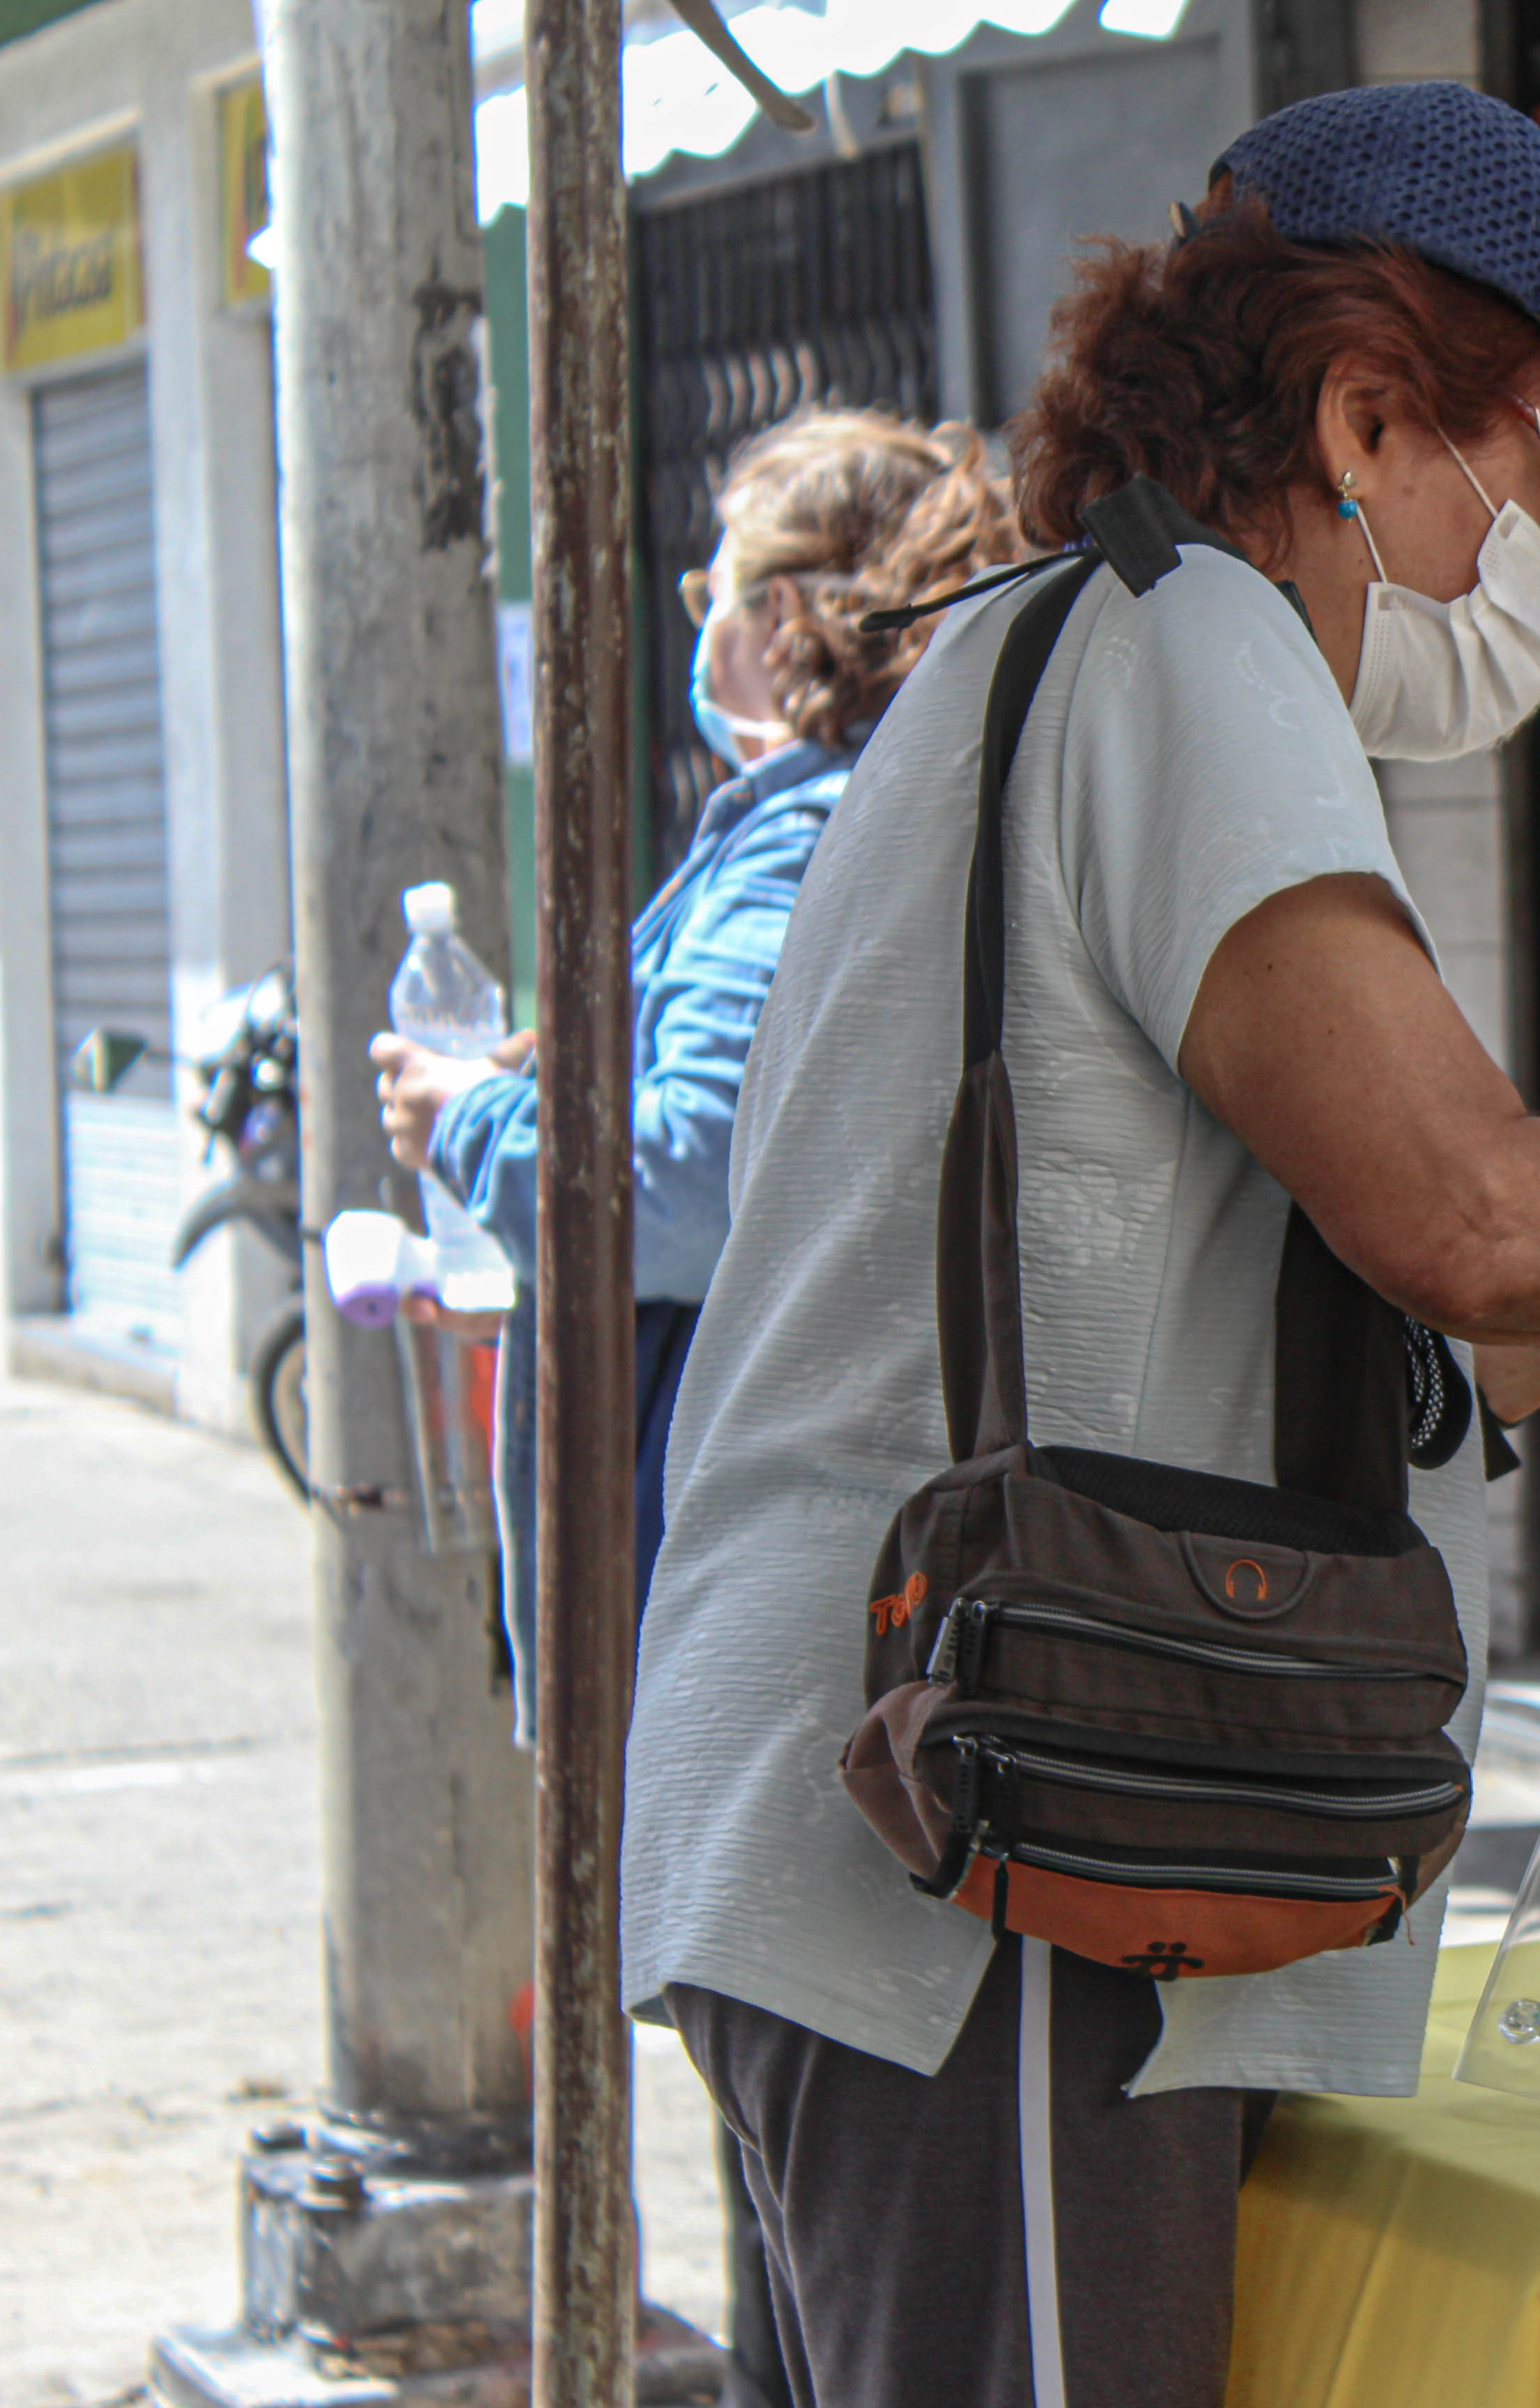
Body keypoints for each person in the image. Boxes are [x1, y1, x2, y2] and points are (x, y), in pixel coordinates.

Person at [624, 81, 1540, 2408]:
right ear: (1357, 409)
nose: (1536, 555)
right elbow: (1467, 1211)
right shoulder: (1198, 644)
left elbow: (1334, 1310)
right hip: (977, 1835)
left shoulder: (1057, 649)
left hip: (892, 1791)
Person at [371, 406, 1022, 2408]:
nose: (695, 625)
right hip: (791, 1585)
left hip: (757, 1594)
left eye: (719, 586)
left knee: (799, 2202)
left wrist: (471, 1111)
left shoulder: (812, 820)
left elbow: (678, 1176)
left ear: (810, 621)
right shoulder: (853, 815)